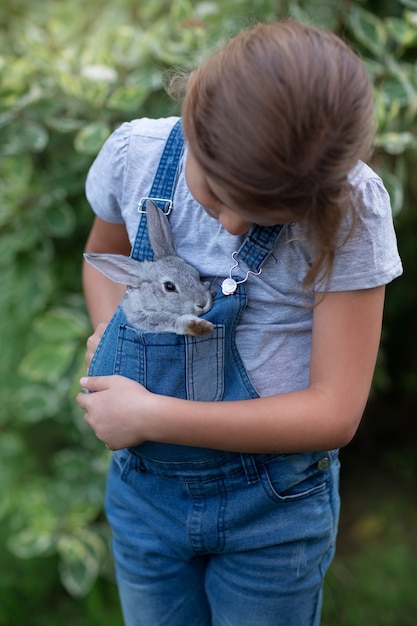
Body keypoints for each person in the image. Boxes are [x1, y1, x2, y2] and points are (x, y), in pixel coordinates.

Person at [76, 20, 402, 626]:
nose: (229, 226)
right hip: (148, 494)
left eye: (262, 216)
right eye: (217, 195)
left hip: (272, 510)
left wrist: (151, 415)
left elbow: (335, 411)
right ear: (195, 120)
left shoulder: (353, 207)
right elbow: (104, 264)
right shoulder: (137, 158)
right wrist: (108, 340)